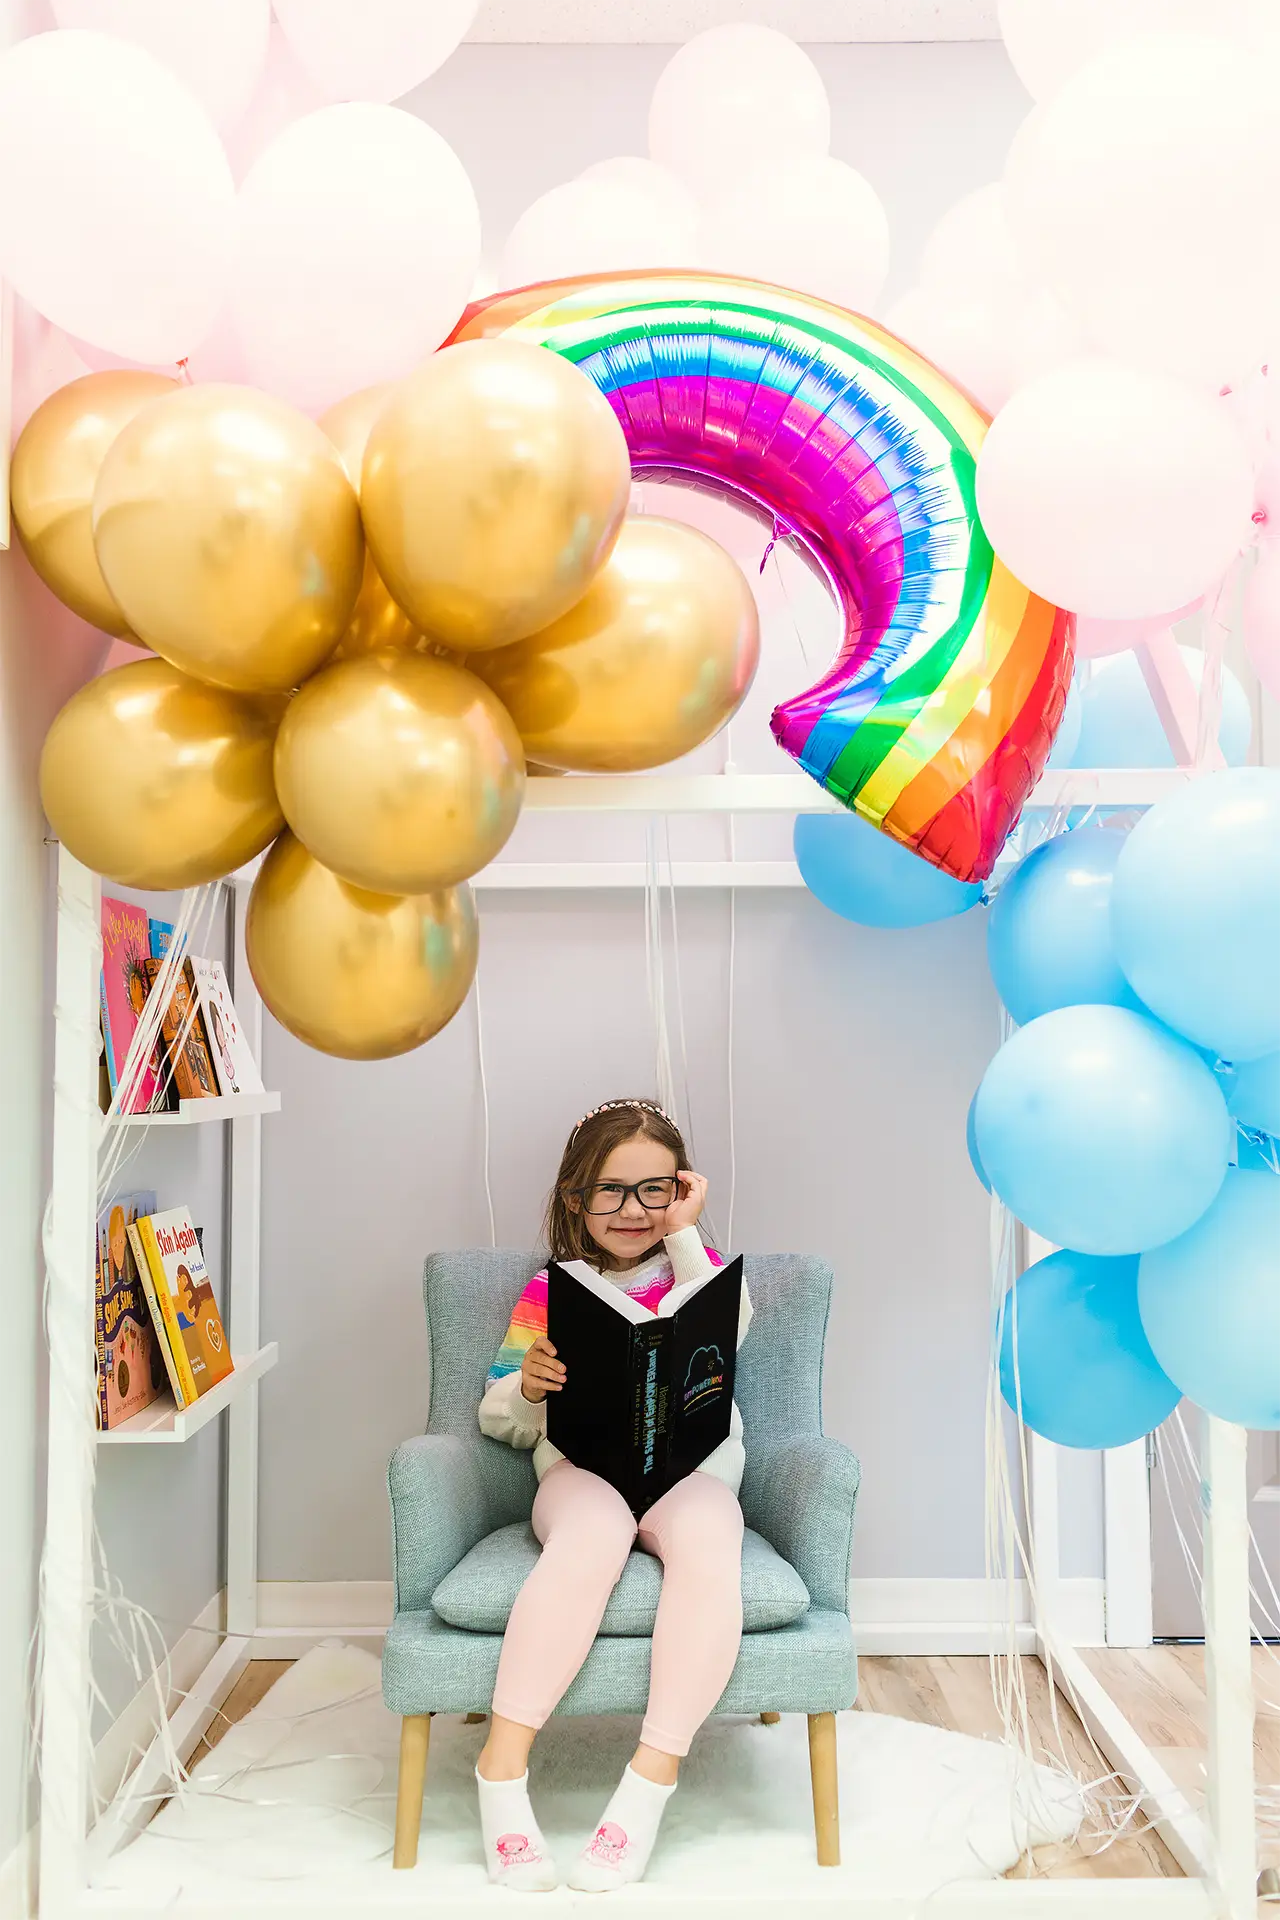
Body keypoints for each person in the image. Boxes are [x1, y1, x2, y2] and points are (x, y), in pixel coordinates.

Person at [474, 1098, 751, 1893]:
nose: (632, 1211)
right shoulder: (552, 1290)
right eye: (610, 1191)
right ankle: (501, 1771)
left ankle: (649, 1782)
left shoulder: (701, 1270)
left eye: (654, 1190)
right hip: (584, 1475)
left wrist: (687, 1235)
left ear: (682, 1189)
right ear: (574, 1199)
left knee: (709, 1537)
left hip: (687, 1476)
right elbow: (497, 1415)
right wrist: (526, 1388)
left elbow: (739, 1334)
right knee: (589, 1538)